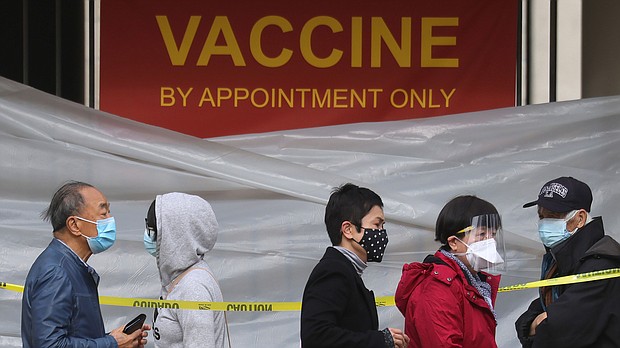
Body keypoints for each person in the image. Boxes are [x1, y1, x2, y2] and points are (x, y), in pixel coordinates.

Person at [21, 181, 150, 347]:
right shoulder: (56, 272)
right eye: (103, 213)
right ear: (74, 225)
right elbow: (49, 344)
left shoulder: (72, 266)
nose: (110, 220)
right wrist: (111, 343)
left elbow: (72, 335)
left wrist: (118, 339)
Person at [515, 176, 620, 347]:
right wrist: (534, 323)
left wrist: (540, 323)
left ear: (580, 218)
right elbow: (530, 316)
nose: (544, 223)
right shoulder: (562, 260)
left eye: (553, 216)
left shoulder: (601, 265)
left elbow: (556, 333)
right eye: (541, 216)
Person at [300, 183, 409, 348]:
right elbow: (316, 336)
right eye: (377, 225)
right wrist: (380, 340)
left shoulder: (346, 271)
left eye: (383, 226)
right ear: (348, 229)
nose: (382, 233)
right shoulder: (333, 271)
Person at [395, 195, 504, 348]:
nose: (490, 242)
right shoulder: (437, 289)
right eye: (482, 234)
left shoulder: (474, 283)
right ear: (453, 242)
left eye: (493, 235)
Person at [143, 192, 226, 347]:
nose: (148, 235)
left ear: (173, 234)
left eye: (152, 229)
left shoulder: (193, 289)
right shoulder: (177, 276)